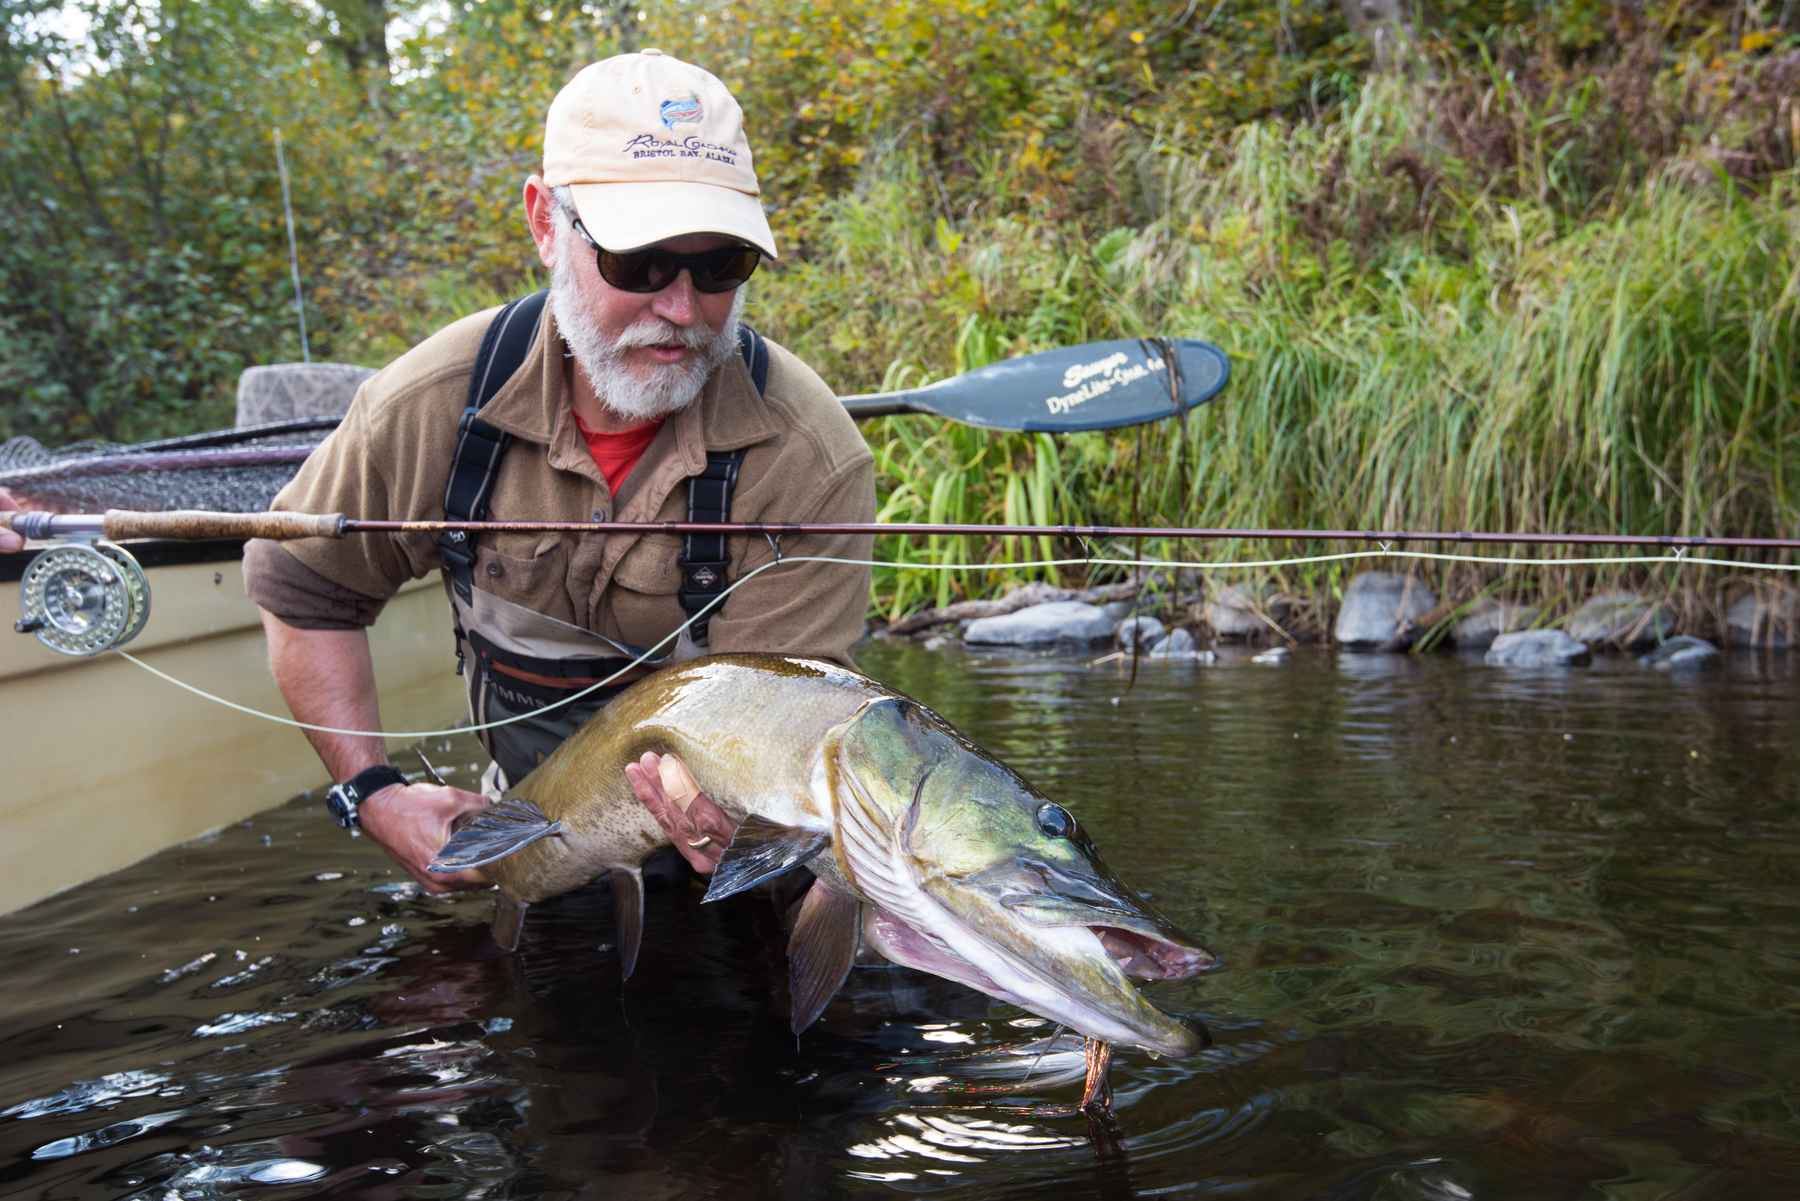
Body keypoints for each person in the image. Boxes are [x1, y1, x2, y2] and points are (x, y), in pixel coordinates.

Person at [242, 50, 873, 893]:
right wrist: (372, 793)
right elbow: (302, 589)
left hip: (735, 869)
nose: (681, 307)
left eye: (720, 264)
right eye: (639, 262)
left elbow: (788, 754)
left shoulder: (810, 458)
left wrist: (752, 832)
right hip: (527, 843)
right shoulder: (432, 404)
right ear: (545, 223)